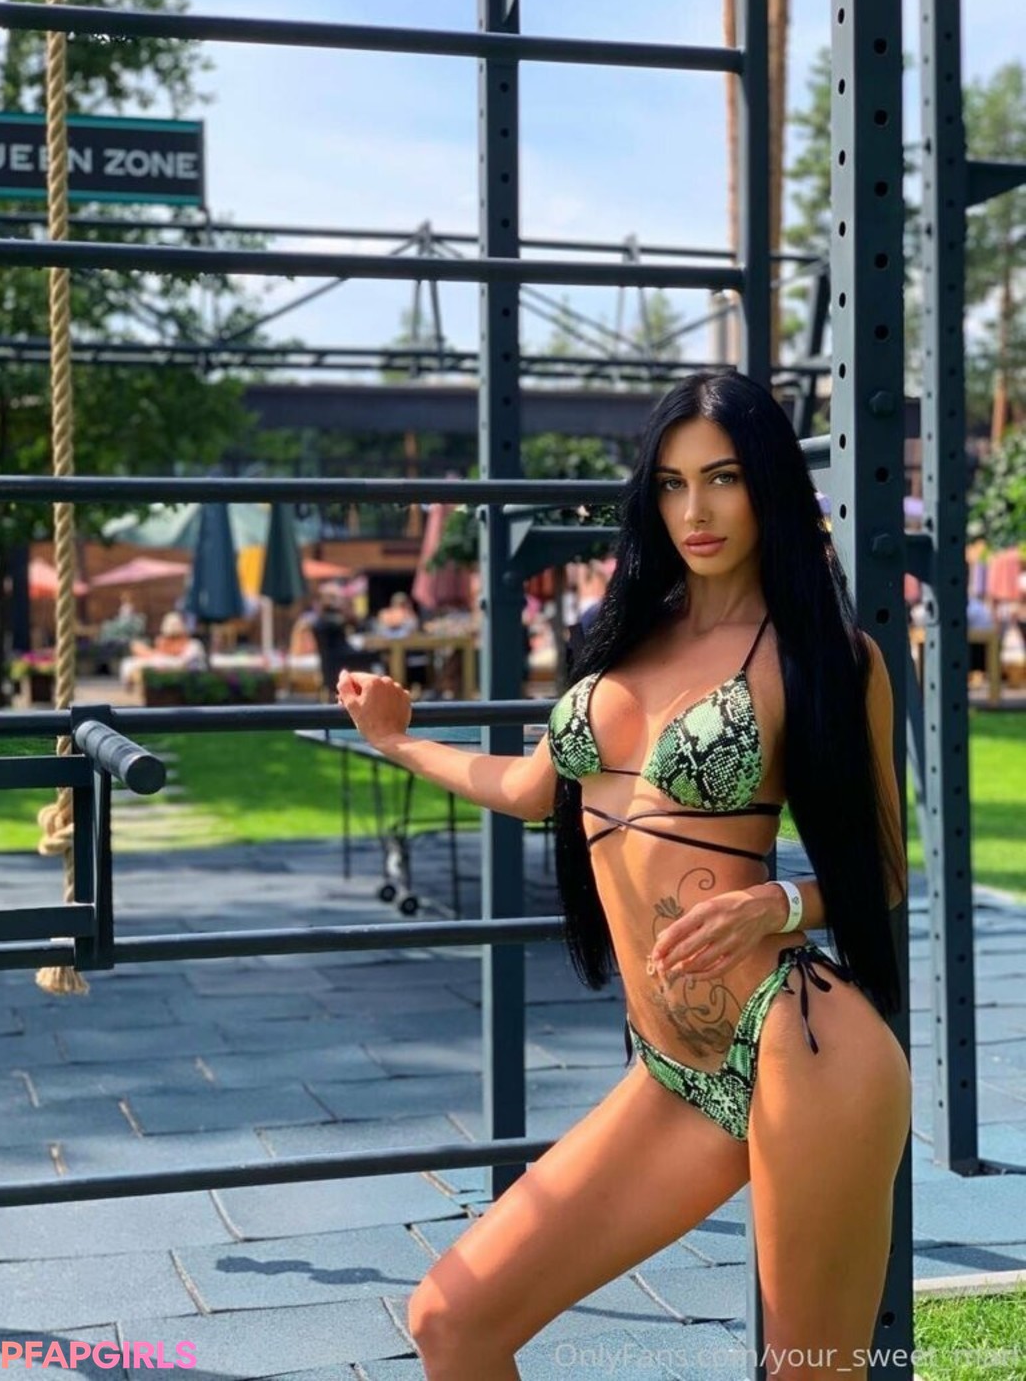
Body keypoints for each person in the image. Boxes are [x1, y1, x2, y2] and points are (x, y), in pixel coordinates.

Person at [335, 371, 910, 1380]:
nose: (696, 510)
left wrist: (773, 902)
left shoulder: (828, 656)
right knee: (451, 1320)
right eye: (674, 483)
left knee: (809, 1370)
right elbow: (529, 788)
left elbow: (885, 872)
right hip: (673, 1068)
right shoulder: (622, 636)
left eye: (724, 478)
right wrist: (397, 740)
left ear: (769, 485)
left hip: (802, 1045)